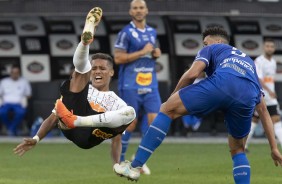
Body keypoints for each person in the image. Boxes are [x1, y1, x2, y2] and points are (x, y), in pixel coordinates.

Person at [113, 27, 282, 183]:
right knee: (238, 148)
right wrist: (273, 148)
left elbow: (192, 73)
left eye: (205, 43)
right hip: (248, 96)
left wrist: (171, 100)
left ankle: (134, 166)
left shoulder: (212, 48)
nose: (203, 47)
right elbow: (263, 110)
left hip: (223, 83)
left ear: (217, 42)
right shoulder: (249, 63)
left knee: (167, 109)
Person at [14, 7, 135, 166]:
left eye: (102, 69)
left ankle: (77, 120)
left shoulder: (116, 101)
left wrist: (117, 164)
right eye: (95, 68)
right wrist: (36, 138)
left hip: (91, 132)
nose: (97, 71)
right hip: (71, 122)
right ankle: (85, 42)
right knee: (79, 73)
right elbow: (52, 118)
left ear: (111, 72)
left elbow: (117, 138)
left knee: (130, 112)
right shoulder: (83, 86)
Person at [113, 0, 162, 174]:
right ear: (130, 12)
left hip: (150, 82)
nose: (139, 10)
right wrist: (142, 52)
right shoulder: (125, 33)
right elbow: (118, 58)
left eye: (141, 7)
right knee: (131, 123)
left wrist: (155, 54)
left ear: (147, 10)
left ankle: (138, 159)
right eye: (135, 8)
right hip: (130, 83)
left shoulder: (152, 31)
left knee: (155, 122)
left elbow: (150, 54)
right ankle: (120, 160)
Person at [245, 39, 282, 152]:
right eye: (267, 46)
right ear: (263, 47)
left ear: (274, 48)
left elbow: (270, 80)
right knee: (276, 119)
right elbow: (258, 78)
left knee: (255, 120)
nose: (269, 48)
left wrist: (272, 90)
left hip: (266, 95)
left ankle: (244, 145)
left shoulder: (273, 62)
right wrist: (269, 92)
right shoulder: (259, 61)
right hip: (264, 95)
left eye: (271, 46)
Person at [0, 65, 32, 136]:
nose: (15, 74)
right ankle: (11, 129)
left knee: (21, 112)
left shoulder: (24, 82)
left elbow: (29, 94)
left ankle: (10, 130)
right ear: (10, 73)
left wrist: (24, 98)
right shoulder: (4, 82)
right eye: (13, 72)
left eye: (17, 72)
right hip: (6, 103)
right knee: (1, 112)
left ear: (19, 73)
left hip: (18, 103)